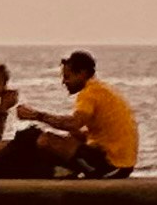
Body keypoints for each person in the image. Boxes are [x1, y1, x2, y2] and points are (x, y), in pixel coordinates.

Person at [10, 50, 142, 178]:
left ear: (82, 74)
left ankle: (66, 171)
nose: (63, 82)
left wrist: (37, 115)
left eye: (67, 77)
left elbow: (74, 122)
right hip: (124, 166)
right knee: (73, 136)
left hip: (111, 165)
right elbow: (80, 130)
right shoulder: (102, 89)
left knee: (45, 141)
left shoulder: (89, 93)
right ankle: (66, 170)